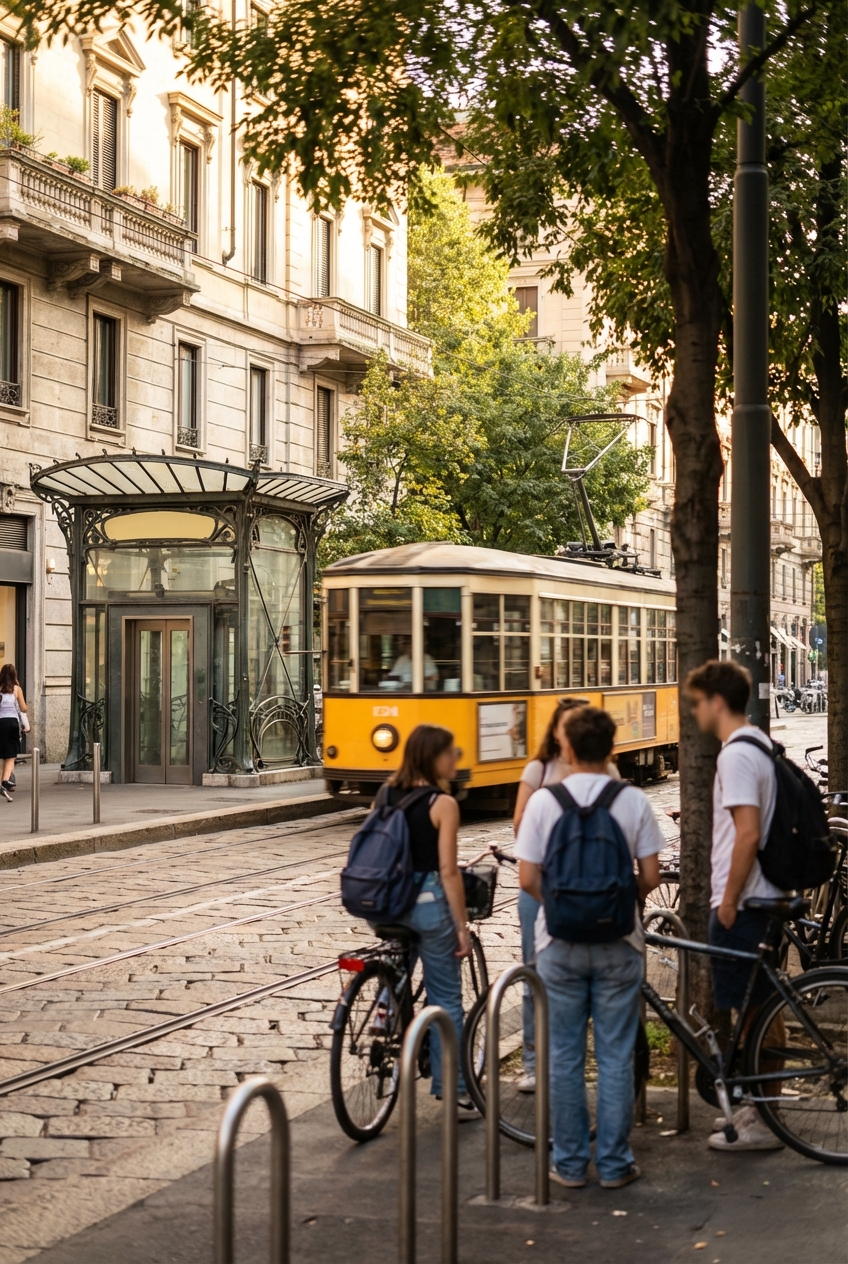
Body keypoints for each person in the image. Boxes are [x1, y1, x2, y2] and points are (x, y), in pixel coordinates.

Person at [516, 705, 663, 1188]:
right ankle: (616, 1165)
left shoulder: (544, 801)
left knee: (564, 1056)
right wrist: (616, 903)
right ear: (612, 750)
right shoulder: (632, 801)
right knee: (617, 1055)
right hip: (619, 943)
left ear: (569, 749)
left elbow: (528, 878)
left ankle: (571, 1164)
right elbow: (651, 877)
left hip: (558, 945)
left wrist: (562, 906)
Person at [687, 658, 785, 1152]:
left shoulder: (736, 755)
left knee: (755, 1011)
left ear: (717, 702)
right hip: (758, 895)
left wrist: (727, 901)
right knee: (761, 1009)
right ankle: (761, 1109)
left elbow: (746, 833)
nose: (694, 711)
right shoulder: (757, 745)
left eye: (698, 702)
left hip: (746, 901)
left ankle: (763, 1121)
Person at [512, 697, 620, 1093]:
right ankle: (533, 1061)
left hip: (593, 886)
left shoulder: (606, 770)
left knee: (581, 979)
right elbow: (520, 824)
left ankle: (569, 1057)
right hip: (542, 887)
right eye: (567, 723)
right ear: (557, 729)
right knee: (534, 974)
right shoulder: (538, 770)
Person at [379, 724, 479, 1118]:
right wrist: (461, 926)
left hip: (388, 905)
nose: (455, 758)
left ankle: (385, 1010)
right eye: (451, 752)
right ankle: (452, 1091)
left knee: (397, 966)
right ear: (433, 758)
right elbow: (448, 871)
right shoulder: (443, 804)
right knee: (446, 998)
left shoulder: (386, 793)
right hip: (427, 904)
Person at [0, 663, 27, 802]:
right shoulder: (16, 689)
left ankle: (2, 783)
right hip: (12, 723)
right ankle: (5, 781)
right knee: (10, 755)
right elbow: (24, 708)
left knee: (2, 754)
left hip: (0, 723)